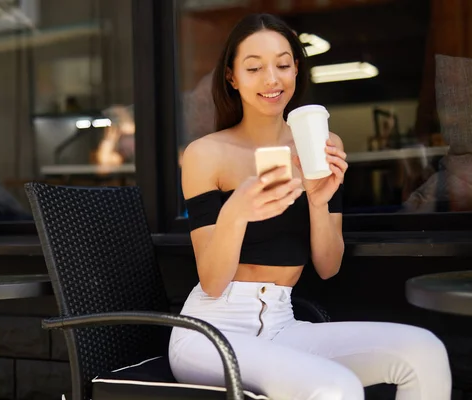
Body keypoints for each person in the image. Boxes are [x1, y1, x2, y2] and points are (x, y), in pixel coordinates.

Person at [169, 13, 451, 400]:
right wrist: (237, 212)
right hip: (211, 332)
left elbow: (328, 265)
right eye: (254, 68)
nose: (272, 79)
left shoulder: (318, 143)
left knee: (424, 351)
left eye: (283, 65)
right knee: (336, 387)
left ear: (297, 70)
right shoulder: (207, 154)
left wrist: (319, 201)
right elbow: (213, 283)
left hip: (283, 324)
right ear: (232, 77)